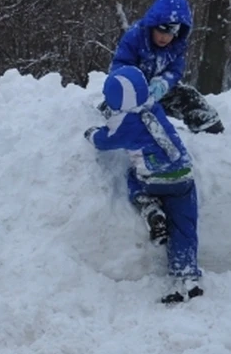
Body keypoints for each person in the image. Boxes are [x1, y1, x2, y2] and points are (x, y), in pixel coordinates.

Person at [85, 65, 203, 304]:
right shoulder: (154, 107)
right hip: (182, 177)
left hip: (153, 180)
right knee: (185, 227)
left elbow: (103, 141)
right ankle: (187, 275)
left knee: (133, 176)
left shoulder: (124, 125)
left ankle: (150, 208)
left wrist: (91, 133)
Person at [107, 0, 224, 134]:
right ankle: (116, 120)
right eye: (161, 30)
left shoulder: (176, 45)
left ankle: (207, 125)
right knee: (118, 109)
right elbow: (120, 66)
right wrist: (135, 87)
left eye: (171, 31)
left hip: (159, 93)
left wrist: (164, 83)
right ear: (153, 25)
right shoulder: (135, 37)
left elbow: (176, 69)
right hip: (132, 94)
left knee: (189, 96)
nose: (165, 37)